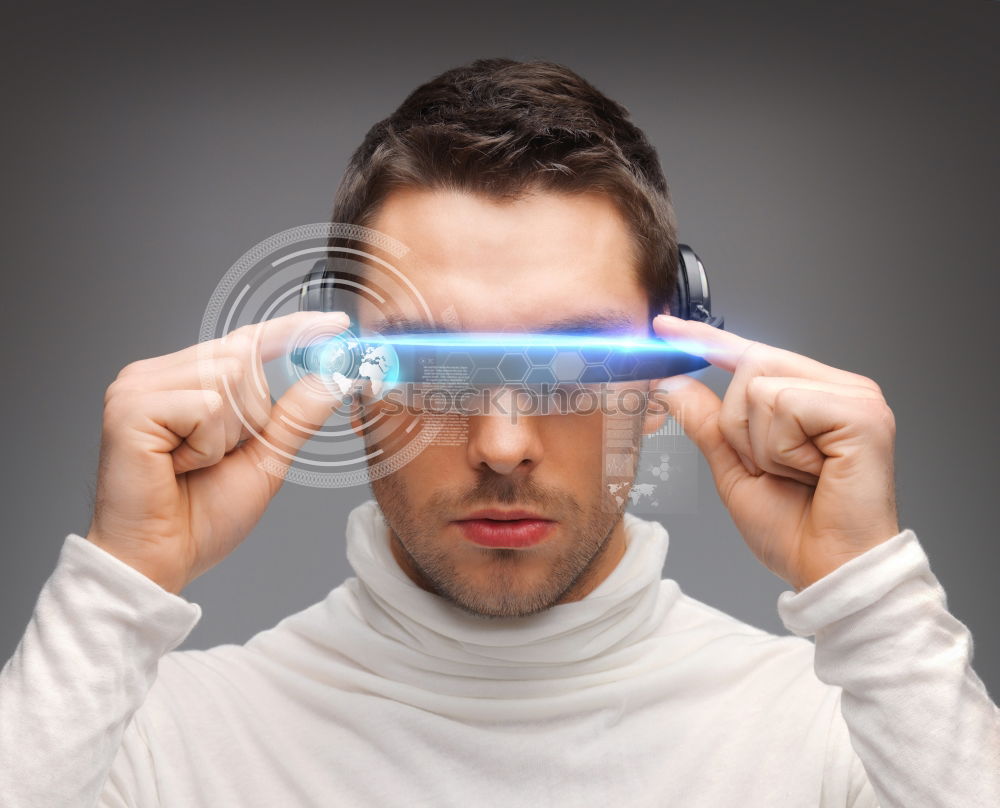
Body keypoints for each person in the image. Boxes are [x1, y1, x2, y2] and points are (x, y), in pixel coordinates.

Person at [1, 58, 997, 808]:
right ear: (347, 373)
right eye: (432, 366)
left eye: (573, 364)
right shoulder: (155, 740)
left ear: (661, 376)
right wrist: (118, 582)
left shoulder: (841, 737)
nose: (503, 444)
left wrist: (869, 596)